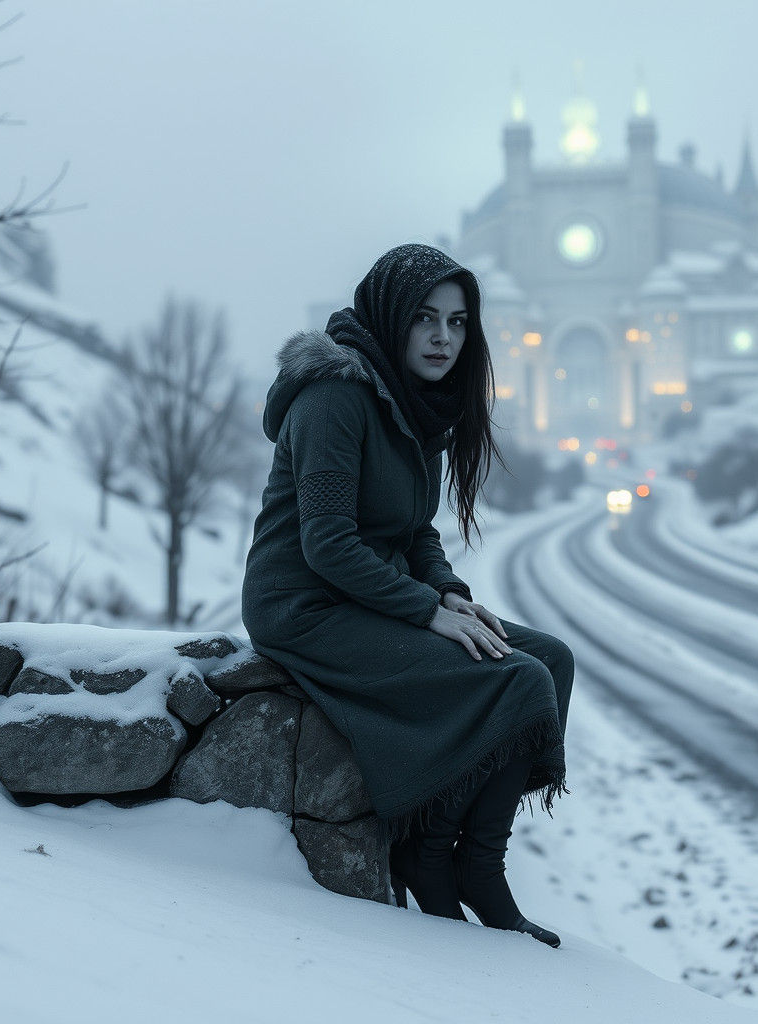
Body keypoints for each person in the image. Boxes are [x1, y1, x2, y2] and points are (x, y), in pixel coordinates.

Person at [241, 243, 575, 948]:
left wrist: (449, 593)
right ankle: (446, 862)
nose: (443, 338)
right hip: (305, 606)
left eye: (457, 323)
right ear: (391, 318)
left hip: (367, 594)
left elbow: (414, 529)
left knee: (551, 658)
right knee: (517, 681)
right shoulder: (336, 396)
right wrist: (424, 611)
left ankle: (458, 853)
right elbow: (326, 544)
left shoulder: (414, 404)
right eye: (426, 319)